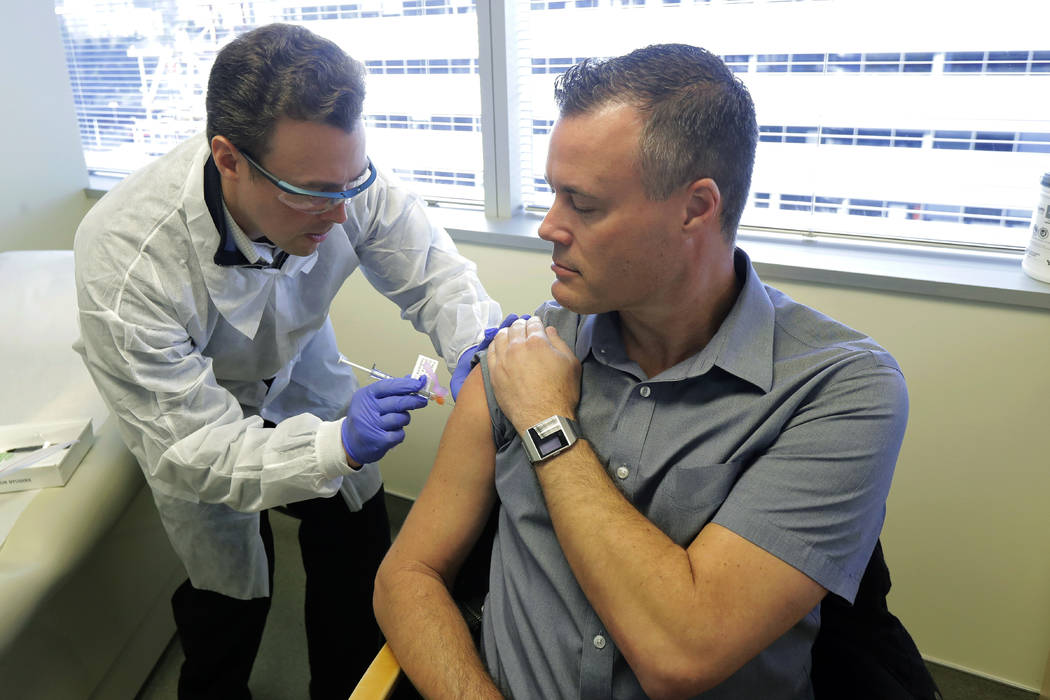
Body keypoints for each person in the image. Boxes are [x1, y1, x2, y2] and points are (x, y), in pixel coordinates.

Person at [374, 44, 910, 699]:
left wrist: (548, 423)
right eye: (551, 193)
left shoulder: (839, 390)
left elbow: (681, 653)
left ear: (695, 208)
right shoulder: (527, 349)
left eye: (585, 204)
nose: (548, 226)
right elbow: (408, 574)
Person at [73, 23, 513, 700]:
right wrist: (337, 441)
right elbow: (194, 448)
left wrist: (477, 348)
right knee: (231, 598)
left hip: (302, 367)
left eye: (351, 182)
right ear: (229, 159)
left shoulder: (336, 176)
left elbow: (434, 275)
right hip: (194, 411)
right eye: (311, 193)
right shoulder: (125, 262)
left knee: (356, 546)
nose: (340, 213)